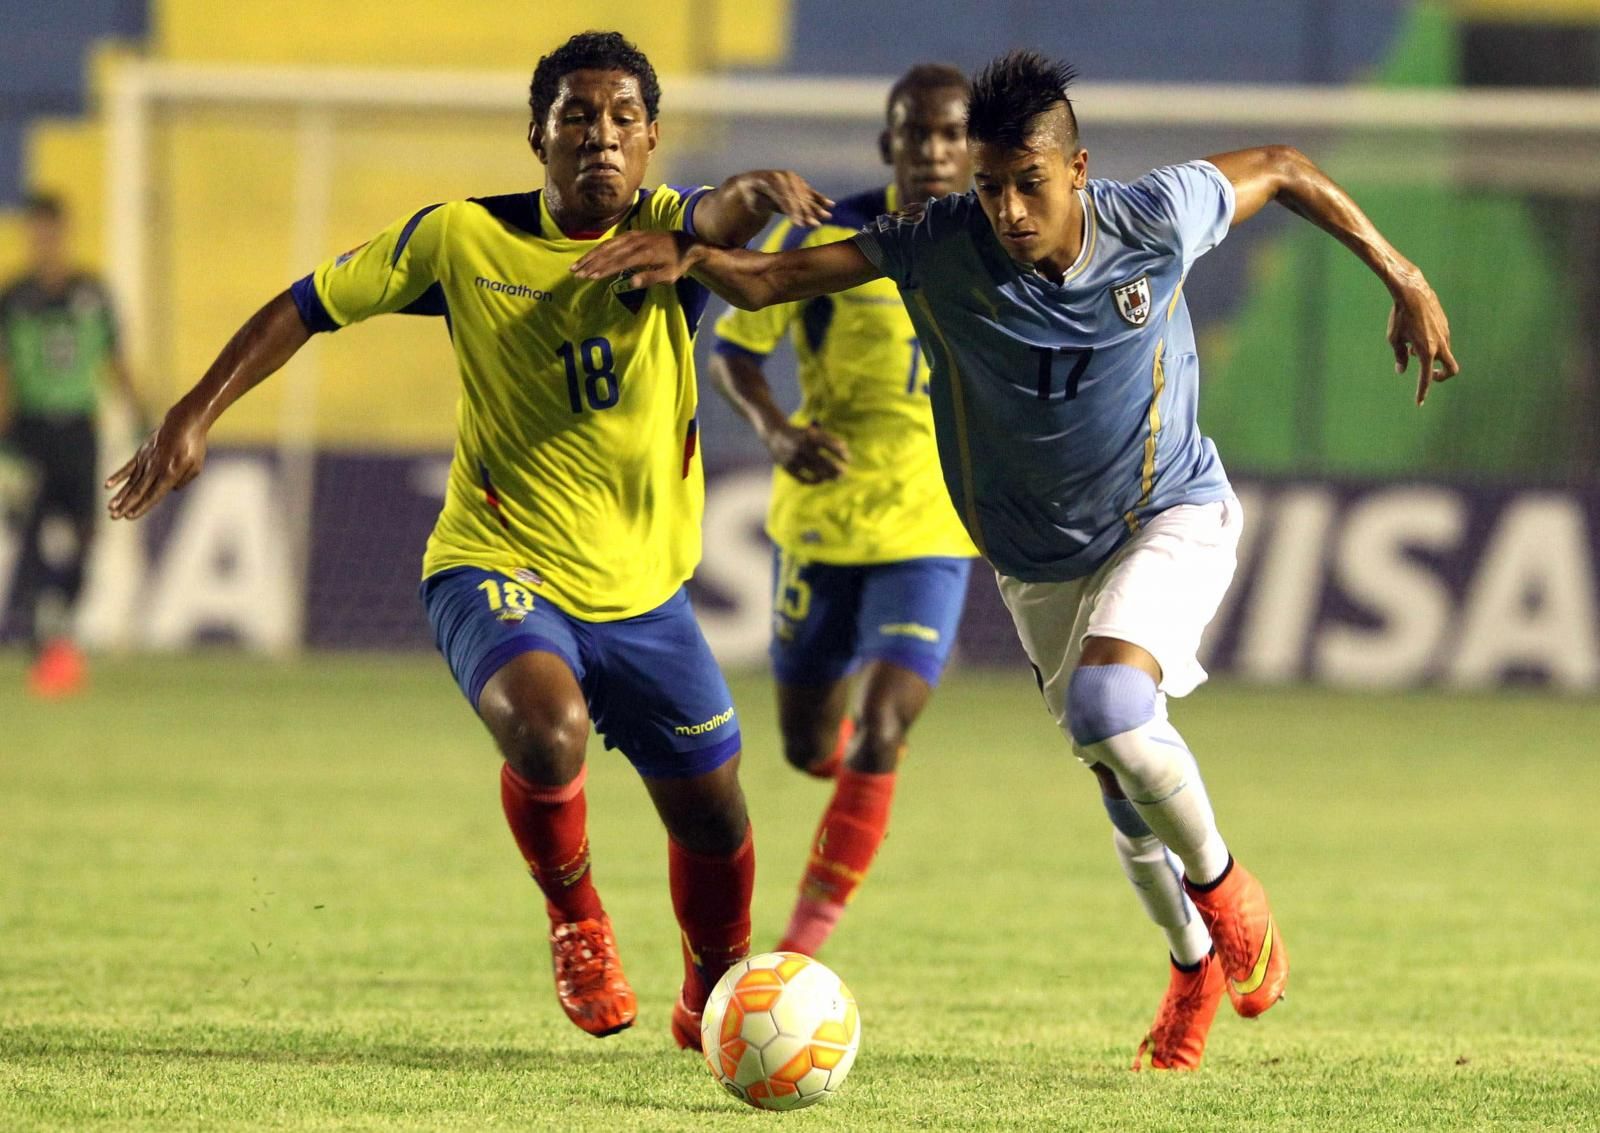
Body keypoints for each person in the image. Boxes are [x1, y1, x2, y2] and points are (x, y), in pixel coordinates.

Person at [572, 49, 1458, 1070]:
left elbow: (1288, 166)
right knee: (1119, 777)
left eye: (1027, 183)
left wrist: (1403, 273)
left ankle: (1226, 893)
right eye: (990, 185)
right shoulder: (941, 240)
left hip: (1168, 512)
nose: (1006, 209)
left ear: (1076, 169)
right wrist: (687, 253)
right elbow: (773, 280)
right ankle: (1189, 967)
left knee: (1110, 708)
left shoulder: (1157, 216)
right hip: (1038, 564)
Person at [105, 30, 835, 1047]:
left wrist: (753, 190)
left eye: (624, 118)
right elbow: (308, 305)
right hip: (493, 562)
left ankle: (715, 992)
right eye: (577, 116)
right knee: (547, 726)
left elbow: (722, 216)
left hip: (643, 594)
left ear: (652, 138)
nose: (602, 135)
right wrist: (193, 412)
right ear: (537, 134)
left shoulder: (672, 233)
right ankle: (578, 920)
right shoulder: (460, 238)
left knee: (715, 813)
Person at [708, 63, 979, 957]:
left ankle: (798, 949)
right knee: (805, 745)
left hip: (932, 522)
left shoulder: (1000, 243)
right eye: (917, 133)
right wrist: (778, 432)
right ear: (888, 143)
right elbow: (735, 353)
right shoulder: (827, 237)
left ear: (973, 148)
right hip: (823, 517)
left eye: (951, 134)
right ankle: (863, 768)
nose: (933, 151)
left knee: (887, 723)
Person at [0, 192, 141, 696]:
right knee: (31, 535)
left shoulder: (93, 294)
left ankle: (55, 616)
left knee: (86, 535)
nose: (45, 242)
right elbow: (3, 372)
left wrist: (144, 414)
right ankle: (40, 640)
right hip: (29, 433)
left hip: (80, 431)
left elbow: (115, 359)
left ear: (64, 234)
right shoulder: (13, 298)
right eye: (37, 233)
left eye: (51, 232)